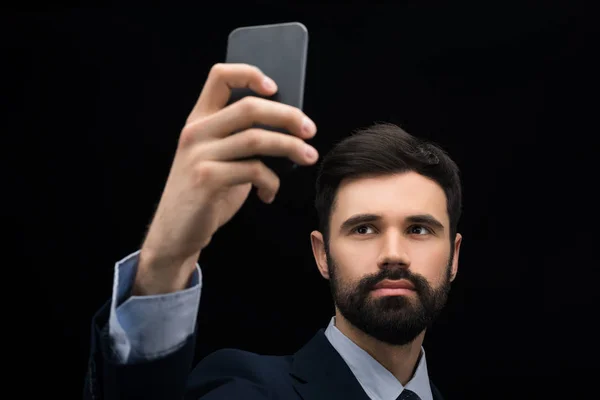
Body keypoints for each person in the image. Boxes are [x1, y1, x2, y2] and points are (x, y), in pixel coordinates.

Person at [84, 63, 462, 400]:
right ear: (322, 254)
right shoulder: (250, 388)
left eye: (419, 229)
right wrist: (167, 258)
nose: (393, 252)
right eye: (363, 228)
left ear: (454, 257)